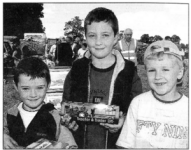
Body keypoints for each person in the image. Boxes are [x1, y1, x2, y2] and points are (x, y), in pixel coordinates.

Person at [61, 7, 142, 149]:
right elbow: (66, 104)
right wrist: (68, 119)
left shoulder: (129, 72)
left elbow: (138, 112)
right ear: (85, 37)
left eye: (105, 35)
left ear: (116, 37)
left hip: (115, 144)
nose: (98, 42)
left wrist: (123, 120)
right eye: (92, 35)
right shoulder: (77, 69)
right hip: (80, 144)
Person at [116, 40, 188, 148]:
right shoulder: (138, 103)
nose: (158, 76)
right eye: (151, 70)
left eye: (165, 69)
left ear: (180, 73)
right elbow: (125, 144)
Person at [3, 57, 77, 149]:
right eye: (26, 88)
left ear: (48, 86)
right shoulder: (10, 114)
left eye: (39, 88)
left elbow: (70, 144)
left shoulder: (56, 118)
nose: (33, 94)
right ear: (16, 86)